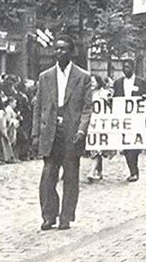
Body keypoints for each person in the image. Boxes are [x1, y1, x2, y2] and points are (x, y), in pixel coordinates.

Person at [32, 35, 92, 231]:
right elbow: (38, 106)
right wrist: (35, 134)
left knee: (70, 175)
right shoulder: (45, 76)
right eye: (57, 49)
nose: (59, 52)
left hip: (71, 133)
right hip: (50, 131)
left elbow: (87, 107)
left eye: (64, 49)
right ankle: (49, 215)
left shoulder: (82, 77)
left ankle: (66, 216)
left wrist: (82, 129)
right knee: (48, 175)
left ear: (71, 51)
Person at [113, 59, 146, 182]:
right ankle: (132, 170)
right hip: (123, 119)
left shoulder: (142, 83)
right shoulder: (118, 83)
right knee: (126, 145)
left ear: (133, 68)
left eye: (128, 67)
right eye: (124, 67)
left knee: (134, 145)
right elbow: (115, 98)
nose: (125, 70)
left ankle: (135, 171)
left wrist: (145, 98)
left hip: (137, 119)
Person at [86, 75, 114, 182]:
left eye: (94, 82)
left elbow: (113, 104)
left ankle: (91, 172)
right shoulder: (88, 94)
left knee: (98, 148)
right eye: (91, 82)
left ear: (99, 82)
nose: (92, 83)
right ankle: (99, 171)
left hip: (103, 124)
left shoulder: (105, 93)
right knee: (96, 147)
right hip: (92, 124)